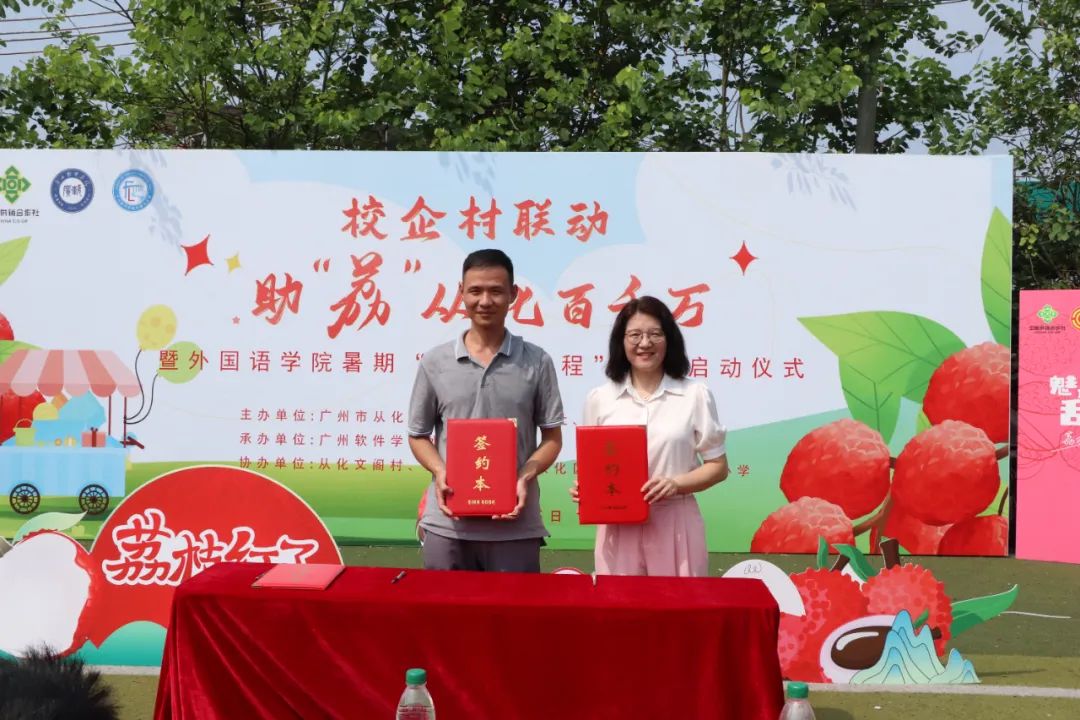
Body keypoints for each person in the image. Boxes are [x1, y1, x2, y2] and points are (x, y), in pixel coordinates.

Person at [408, 249, 564, 572]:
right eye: (475, 291)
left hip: (515, 524)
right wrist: (440, 470)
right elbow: (418, 435)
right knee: (444, 605)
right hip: (447, 524)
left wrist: (525, 474)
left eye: (496, 291)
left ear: (513, 295)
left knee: (515, 607)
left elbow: (552, 437)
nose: (485, 301)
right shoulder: (435, 362)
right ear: (461, 293)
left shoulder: (537, 361)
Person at [571, 296, 729, 577]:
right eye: (635, 335)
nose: (645, 343)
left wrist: (675, 484)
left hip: (675, 521)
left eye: (655, 334)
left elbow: (718, 467)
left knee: (680, 603)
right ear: (621, 341)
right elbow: (592, 465)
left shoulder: (695, 395)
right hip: (617, 525)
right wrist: (586, 490)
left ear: (669, 340)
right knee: (619, 604)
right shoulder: (600, 398)